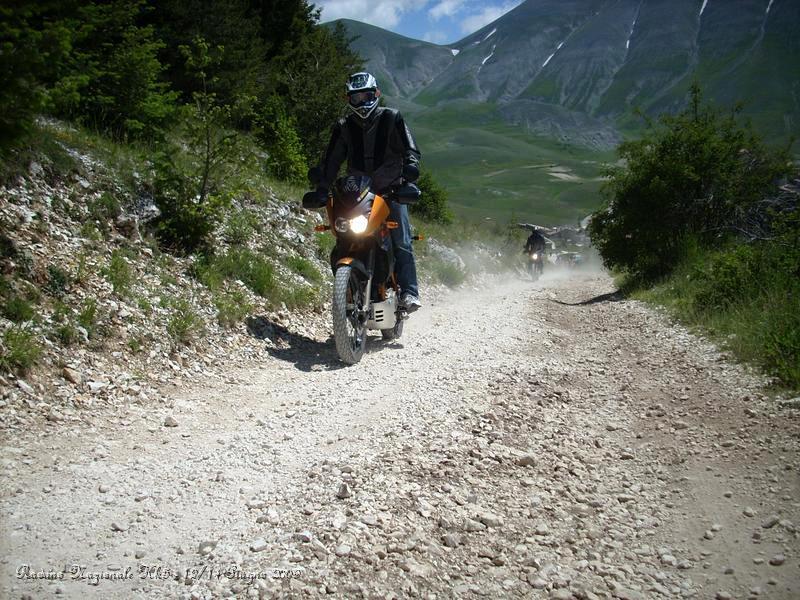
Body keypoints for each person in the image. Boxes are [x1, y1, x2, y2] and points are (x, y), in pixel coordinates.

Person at [309, 72, 423, 312]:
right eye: (356, 98)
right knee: (344, 235)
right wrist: (322, 187)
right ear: (348, 99)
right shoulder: (343, 127)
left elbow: (410, 149)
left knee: (401, 239)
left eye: (366, 96)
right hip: (358, 192)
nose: (361, 102)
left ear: (377, 94)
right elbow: (331, 161)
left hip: (391, 190)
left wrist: (411, 170)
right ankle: (349, 289)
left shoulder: (392, 118)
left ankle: (410, 292)